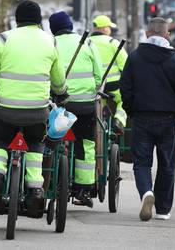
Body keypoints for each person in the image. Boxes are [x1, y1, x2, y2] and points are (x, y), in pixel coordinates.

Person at [0, 0, 67, 217]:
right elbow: (58, 77)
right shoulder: (50, 41)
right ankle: (35, 188)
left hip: (6, 110)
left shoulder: (2, 40)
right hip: (37, 112)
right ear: (38, 20)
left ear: (17, 19)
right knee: (35, 142)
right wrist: (62, 94)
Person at [120, 17, 175, 221]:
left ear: (146, 33)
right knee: (166, 164)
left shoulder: (135, 58)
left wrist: (131, 110)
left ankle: (146, 192)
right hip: (169, 119)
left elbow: (125, 88)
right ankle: (162, 209)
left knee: (141, 162)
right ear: (166, 35)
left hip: (142, 117)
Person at [48, 11, 103, 207]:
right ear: (71, 25)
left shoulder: (50, 43)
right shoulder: (87, 42)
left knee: (49, 140)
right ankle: (83, 189)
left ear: (52, 28)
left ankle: (48, 180)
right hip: (85, 105)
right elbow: (99, 74)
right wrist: (95, 92)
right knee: (86, 143)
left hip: (58, 103)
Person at [90, 15, 128, 134]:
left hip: (95, 85)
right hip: (114, 84)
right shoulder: (113, 43)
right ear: (105, 29)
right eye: (109, 27)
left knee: (99, 104)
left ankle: (101, 123)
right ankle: (119, 121)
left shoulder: (87, 42)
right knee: (124, 101)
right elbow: (126, 65)